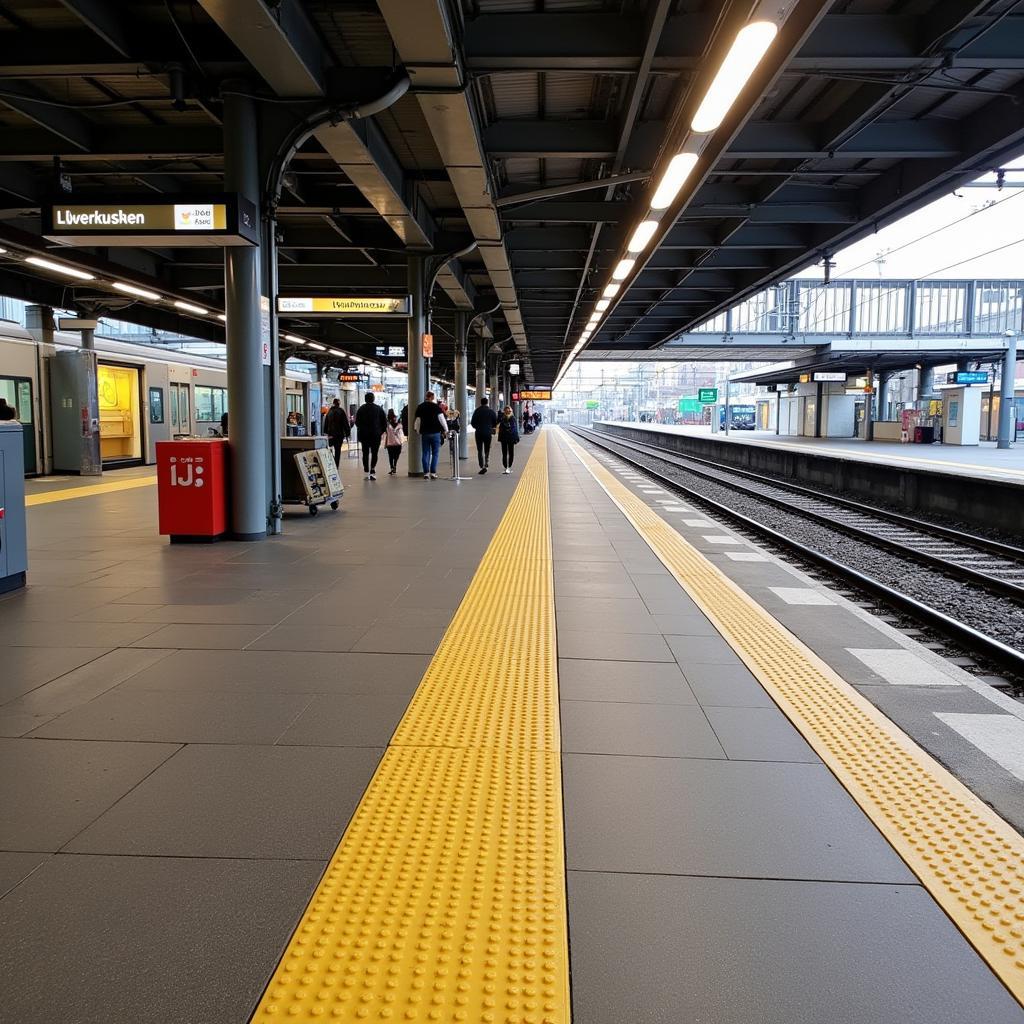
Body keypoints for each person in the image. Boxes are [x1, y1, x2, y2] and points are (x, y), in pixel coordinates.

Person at [413, 390, 448, 479]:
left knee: (425, 453)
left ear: (426, 397)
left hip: (425, 433)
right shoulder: (436, 407)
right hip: (435, 433)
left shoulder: (420, 407)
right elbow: (442, 419)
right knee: (435, 453)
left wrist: (417, 430)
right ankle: (433, 472)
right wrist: (446, 430)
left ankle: (426, 473)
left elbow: (418, 420)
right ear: (432, 397)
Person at [355, 392, 388, 480]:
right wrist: (381, 431)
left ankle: (366, 471)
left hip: (364, 435)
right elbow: (384, 422)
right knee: (374, 453)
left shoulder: (361, 409)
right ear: (373, 399)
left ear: (365, 399)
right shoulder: (379, 409)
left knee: (365, 453)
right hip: (375, 435)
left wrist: (362, 429)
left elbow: (357, 422)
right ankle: (372, 470)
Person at [470, 397, 498, 474]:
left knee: (479, 450)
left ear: (481, 402)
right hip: (488, 433)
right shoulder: (491, 411)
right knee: (487, 449)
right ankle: (486, 464)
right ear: (487, 402)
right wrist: (490, 427)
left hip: (478, 432)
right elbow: (495, 422)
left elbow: (472, 422)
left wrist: (477, 427)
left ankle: (481, 465)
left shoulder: (477, 411)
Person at [324, 398, 350, 466]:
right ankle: (336, 465)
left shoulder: (329, 411)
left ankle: (331, 463)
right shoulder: (341, 411)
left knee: (330, 448)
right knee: (337, 450)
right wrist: (347, 433)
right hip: (339, 434)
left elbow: (326, 422)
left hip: (330, 434)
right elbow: (345, 423)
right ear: (339, 403)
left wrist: (326, 432)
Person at [497, 405, 519, 475]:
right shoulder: (513, 418)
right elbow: (515, 429)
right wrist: (516, 437)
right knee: (511, 453)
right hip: (511, 438)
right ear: (511, 411)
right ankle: (508, 467)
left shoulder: (502, 418)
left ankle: (505, 467)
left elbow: (499, 428)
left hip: (503, 438)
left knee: (504, 453)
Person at [384, 409, 404, 475]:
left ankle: (392, 468)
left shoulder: (387, 426)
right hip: (398, 443)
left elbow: (386, 434)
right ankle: (394, 466)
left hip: (390, 443)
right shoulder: (399, 425)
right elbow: (401, 435)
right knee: (396, 456)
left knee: (390, 456)